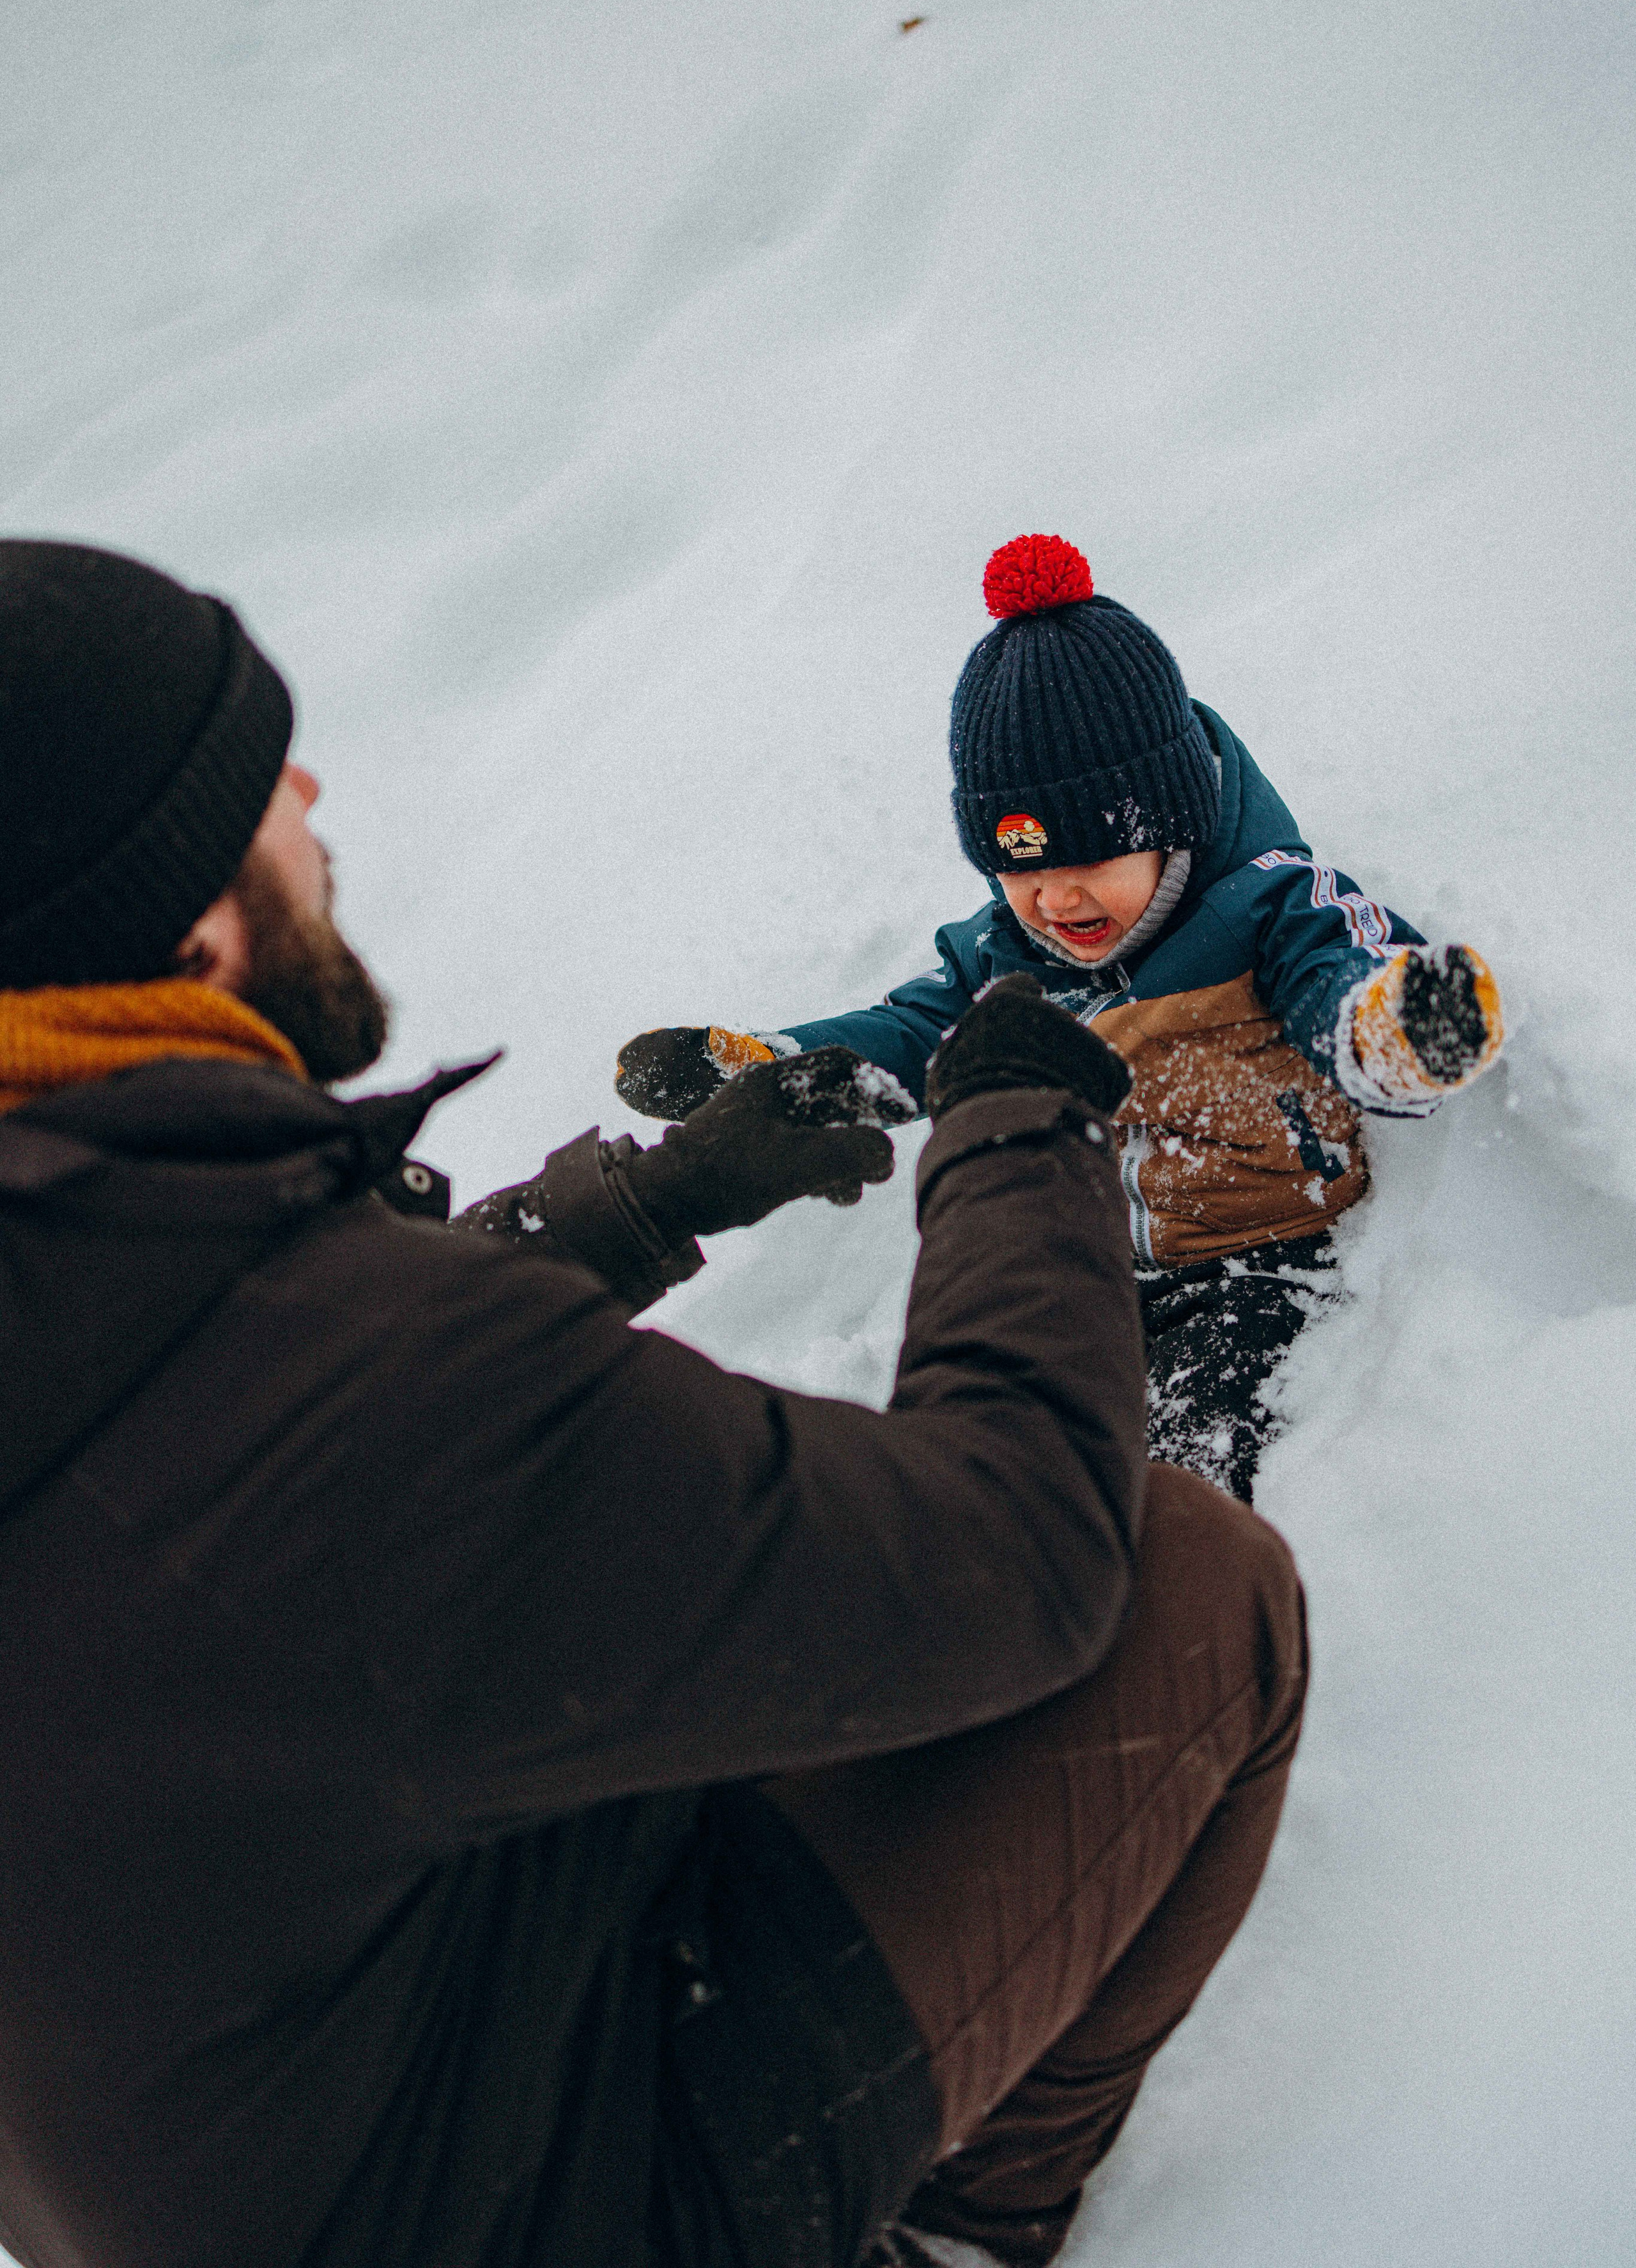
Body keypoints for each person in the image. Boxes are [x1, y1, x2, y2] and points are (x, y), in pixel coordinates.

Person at [0, 539, 1308, 2268]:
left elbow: (245, 1392)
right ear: (192, 926)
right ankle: (956, 2234)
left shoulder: (89, 1252)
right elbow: (1025, 1549)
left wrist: (651, 1199)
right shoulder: (384, 1397)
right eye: (253, 782)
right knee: (1192, 1582)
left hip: (306, 2075)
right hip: (528, 2189)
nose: (310, 787)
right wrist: (1012, 1122)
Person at [616, 532, 1505, 1505]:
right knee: (991, 1437)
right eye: (1021, 866)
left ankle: (1163, 1603)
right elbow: (913, 1037)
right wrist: (778, 1073)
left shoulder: (1269, 908)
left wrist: (1402, 1032)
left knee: (1174, 1473)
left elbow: (1346, 983)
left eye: (1087, 857)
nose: (1056, 898)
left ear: (1170, 816)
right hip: (1085, 1265)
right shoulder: (1007, 953)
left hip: (1257, 1265)